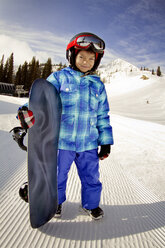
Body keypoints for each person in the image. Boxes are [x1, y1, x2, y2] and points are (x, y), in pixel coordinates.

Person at [18, 32, 114, 220]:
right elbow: (41, 100)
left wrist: (106, 141)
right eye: (82, 57)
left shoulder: (98, 86)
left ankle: (90, 205)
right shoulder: (60, 78)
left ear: (97, 61)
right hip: (62, 142)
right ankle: (56, 202)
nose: (86, 61)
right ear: (72, 56)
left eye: (91, 58)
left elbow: (103, 115)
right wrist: (26, 112)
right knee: (57, 176)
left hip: (89, 144)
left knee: (91, 178)